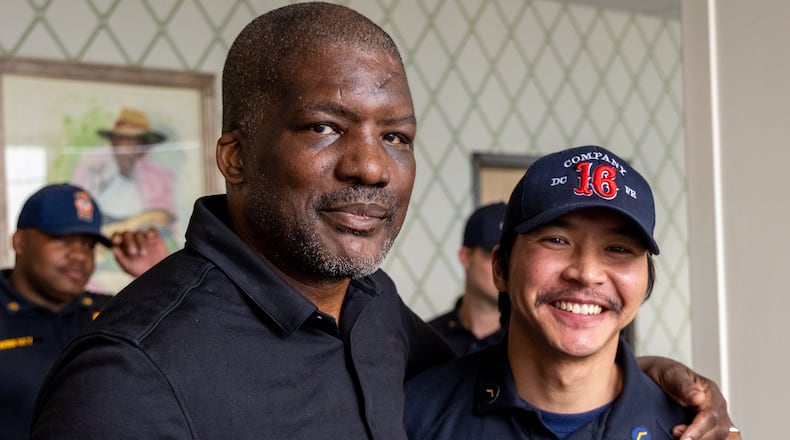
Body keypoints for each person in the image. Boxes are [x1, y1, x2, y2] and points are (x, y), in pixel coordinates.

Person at [32, 3, 735, 439]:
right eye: (324, 127)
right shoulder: (131, 377)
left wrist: (640, 382)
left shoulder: (372, 307)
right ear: (236, 155)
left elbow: (502, 380)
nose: (371, 167)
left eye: (395, 136)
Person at [405, 145, 741, 439]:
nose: (587, 273)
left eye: (619, 248)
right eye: (557, 241)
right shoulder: (412, 417)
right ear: (501, 268)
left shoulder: (695, 430)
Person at [0, 183, 169, 440]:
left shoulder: (113, 314)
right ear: (20, 242)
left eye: (88, 245)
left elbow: (182, 363)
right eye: (63, 240)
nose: (79, 255)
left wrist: (158, 277)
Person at [71, 107, 177, 238]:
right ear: (114, 141)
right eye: (124, 139)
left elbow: (165, 216)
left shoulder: (153, 173)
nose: (129, 147)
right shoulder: (93, 162)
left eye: (135, 141)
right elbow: (79, 204)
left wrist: (130, 224)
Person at [429, 202, 507, 355]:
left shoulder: (530, 343)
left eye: (510, 258)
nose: (504, 269)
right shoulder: (427, 339)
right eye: (494, 257)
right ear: (466, 257)